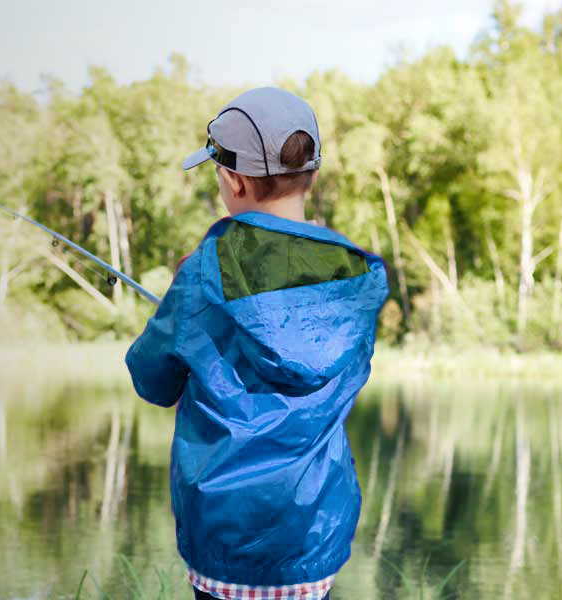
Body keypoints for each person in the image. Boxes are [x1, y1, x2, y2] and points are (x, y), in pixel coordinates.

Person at [125, 87, 389, 600]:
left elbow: (151, 379)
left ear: (233, 179)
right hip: (314, 539)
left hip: (225, 542)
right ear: (310, 175)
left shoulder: (205, 269)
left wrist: (183, 297)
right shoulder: (355, 275)